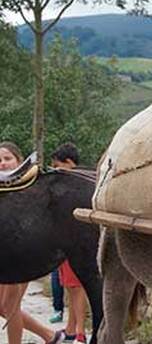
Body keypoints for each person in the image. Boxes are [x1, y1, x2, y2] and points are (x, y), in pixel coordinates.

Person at [0, 141, 64, 344]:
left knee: (10, 305)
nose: (2, 164)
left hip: (23, 251)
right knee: (3, 306)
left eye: (7, 159)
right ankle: (50, 335)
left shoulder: (29, 186)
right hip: (5, 252)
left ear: (19, 161)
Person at [50, 143, 88, 344]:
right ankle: (72, 328)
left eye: (58, 165)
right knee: (70, 286)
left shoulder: (76, 185)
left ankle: (80, 331)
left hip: (75, 242)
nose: (56, 170)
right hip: (65, 242)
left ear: (69, 163)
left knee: (76, 287)